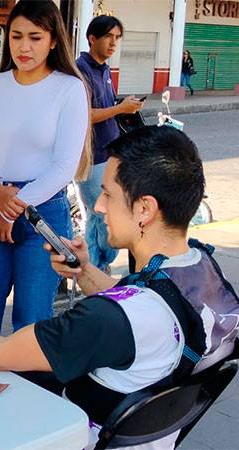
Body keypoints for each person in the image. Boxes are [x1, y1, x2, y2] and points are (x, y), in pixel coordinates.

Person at [0, 125, 239, 449]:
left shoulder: (107, 321)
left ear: (145, 209)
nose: (100, 207)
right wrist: (84, 272)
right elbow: (150, 304)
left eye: (107, 194)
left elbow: (0, 352)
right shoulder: (201, 270)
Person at [0, 0, 91, 334]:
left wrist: (12, 208)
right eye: (16, 36)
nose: (24, 46)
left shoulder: (69, 89)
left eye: (35, 37)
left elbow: (64, 166)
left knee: (33, 319)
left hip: (44, 214)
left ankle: (31, 386)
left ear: (53, 40)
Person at [75, 15, 144, 273]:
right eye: (108, 37)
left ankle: (96, 268)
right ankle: (93, 269)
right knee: (103, 215)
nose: (114, 43)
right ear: (92, 38)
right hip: (91, 158)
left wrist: (126, 108)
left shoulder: (104, 69)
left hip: (110, 153)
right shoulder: (82, 69)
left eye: (117, 37)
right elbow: (85, 114)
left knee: (103, 216)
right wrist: (119, 108)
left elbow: (107, 107)